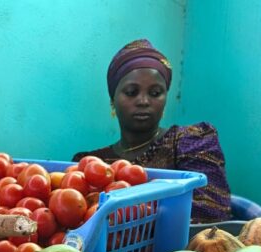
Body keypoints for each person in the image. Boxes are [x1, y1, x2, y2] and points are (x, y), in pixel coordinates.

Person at [73, 39, 232, 223]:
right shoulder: (90, 165)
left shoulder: (190, 142)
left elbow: (211, 213)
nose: (143, 101)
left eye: (155, 93)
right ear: (112, 100)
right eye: (131, 92)